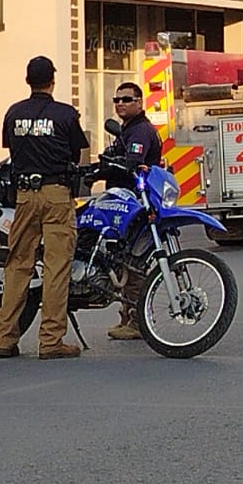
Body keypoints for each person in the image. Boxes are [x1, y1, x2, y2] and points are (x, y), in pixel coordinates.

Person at [0, 56, 89, 360]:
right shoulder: (64, 115)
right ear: (52, 80)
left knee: (18, 265)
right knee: (56, 267)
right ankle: (50, 341)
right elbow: (76, 153)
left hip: (23, 195)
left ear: (27, 81)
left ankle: (5, 338)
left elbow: (11, 149)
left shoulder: (13, 113)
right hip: (56, 194)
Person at [102, 81, 162, 341]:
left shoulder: (139, 131)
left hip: (136, 204)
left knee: (133, 263)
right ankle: (127, 316)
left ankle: (136, 321)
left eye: (126, 99)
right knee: (123, 259)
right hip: (124, 202)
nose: (120, 104)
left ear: (139, 102)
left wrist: (112, 165)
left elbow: (132, 163)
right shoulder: (126, 131)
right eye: (117, 100)